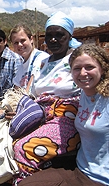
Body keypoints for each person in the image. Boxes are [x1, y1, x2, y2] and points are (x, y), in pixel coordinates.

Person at [18, 44, 109, 186]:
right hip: (80, 169)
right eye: (77, 68)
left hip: (101, 179)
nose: (83, 73)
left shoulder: (106, 99)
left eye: (89, 67)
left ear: (102, 69)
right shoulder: (83, 95)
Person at [10, 11, 82, 185]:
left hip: (66, 116)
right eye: (49, 35)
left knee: (23, 149)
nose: (54, 40)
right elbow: (33, 91)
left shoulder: (76, 59)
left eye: (60, 35)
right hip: (41, 113)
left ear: (69, 36)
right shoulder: (45, 62)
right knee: (9, 142)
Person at [10, 24, 50, 88]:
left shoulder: (42, 59)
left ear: (31, 39)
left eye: (23, 40)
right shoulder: (20, 68)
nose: (19, 45)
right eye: (16, 43)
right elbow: (16, 90)